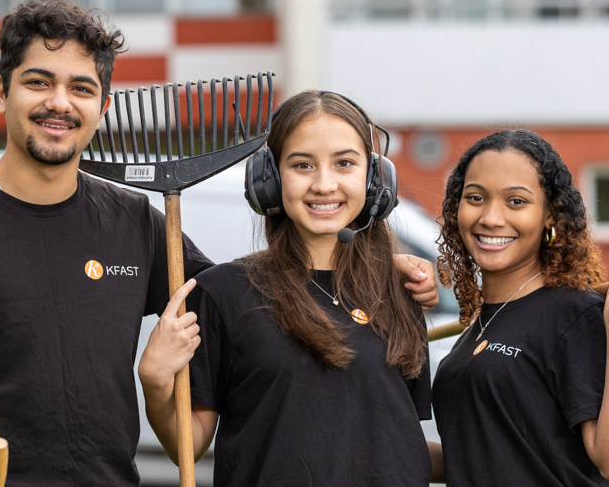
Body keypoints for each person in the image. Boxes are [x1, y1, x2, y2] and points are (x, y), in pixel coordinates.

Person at [0, 0, 437, 487]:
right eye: (38, 82)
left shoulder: (135, 222)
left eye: (81, 88)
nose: (59, 103)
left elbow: (254, 297)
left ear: (100, 106)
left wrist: (383, 267)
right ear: (1, 92)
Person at [138, 91, 434, 486]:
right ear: (270, 179)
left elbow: (397, 439)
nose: (324, 184)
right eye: (302, 165)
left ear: (375, 178)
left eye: (344, 163)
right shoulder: (223, 293)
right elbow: (186, 448)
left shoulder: (401, 292)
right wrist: (155, 384)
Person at [429, 129, 609, 486]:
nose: (491, 217)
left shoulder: (573, 314)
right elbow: (484, 455)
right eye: (475, 197)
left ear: (550, 216)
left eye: (516, 201)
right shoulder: (483, 324)